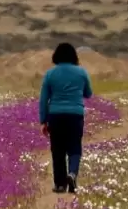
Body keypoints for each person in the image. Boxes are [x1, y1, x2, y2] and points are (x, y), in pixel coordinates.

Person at [39, 42, 93, 194]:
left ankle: (60, 184)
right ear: (73, 56)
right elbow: (88, 93)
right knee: (75, 147)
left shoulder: (50, 74)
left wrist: (43, 121)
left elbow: (43, 99)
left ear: (56, 56)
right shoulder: (81, 72)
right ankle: (72, 174)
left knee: (58, 150)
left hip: (55, 116)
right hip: (75, 115)